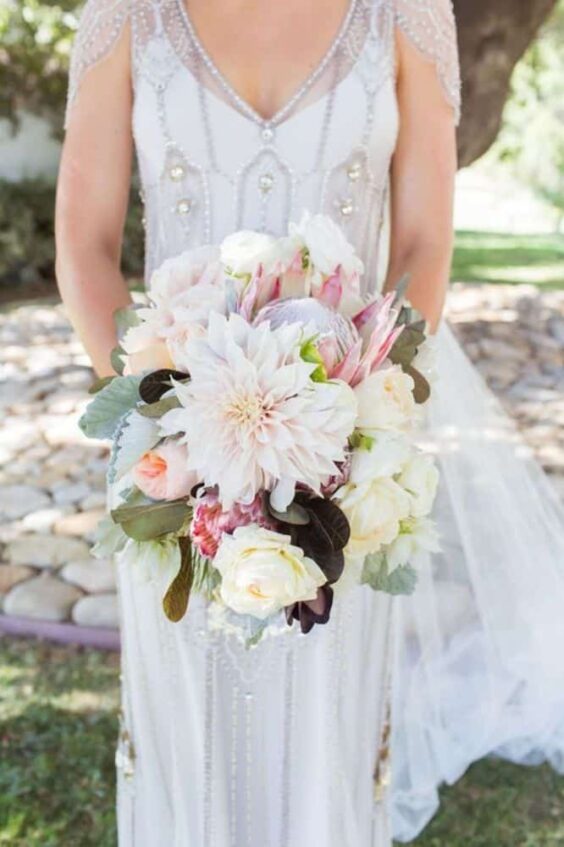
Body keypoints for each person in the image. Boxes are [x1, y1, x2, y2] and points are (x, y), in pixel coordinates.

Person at [55, 1, 564, 844]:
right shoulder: (125, 13)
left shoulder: (408, 13)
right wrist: (180, 427)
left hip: (347, 464)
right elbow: (83, 242)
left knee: (329, 727)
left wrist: (359, 417)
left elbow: (425, 243)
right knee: (190, 743)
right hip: (174, 470)